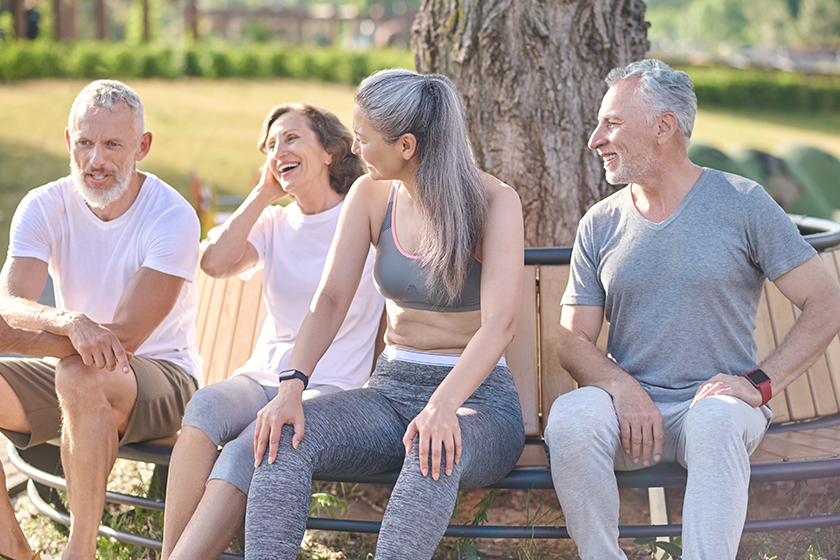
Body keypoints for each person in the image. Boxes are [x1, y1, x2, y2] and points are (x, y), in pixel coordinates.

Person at [543, 58, 840, 560]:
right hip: (632, 415)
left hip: (716, 410)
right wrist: (621, 387)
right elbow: (572, 340)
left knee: (716, 421)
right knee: (571, 417)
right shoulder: (599, 223)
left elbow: (826, 301)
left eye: (611, 123)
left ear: (664, 127)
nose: (595, 139)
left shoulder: (743, 203)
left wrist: (760, 383)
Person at [244, 69, 525, 560]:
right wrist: (292, 386)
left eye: (364, 138)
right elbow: (330, 298)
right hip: (390, 392)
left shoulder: (495, 201)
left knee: (431, 452)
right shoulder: (370, 196)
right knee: (283, 437)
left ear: (407, 146)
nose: (354, 149)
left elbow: (500, 322)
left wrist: (441, 407)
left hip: (478, 402)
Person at [161, 103, 384, 560]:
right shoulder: (276, 222)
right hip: (264, 376)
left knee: (251, 446)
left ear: (330, 150)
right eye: (270, 145)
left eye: (291, 138)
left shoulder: (364, 217)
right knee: (204, 405)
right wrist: (263, 193)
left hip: (331, 385)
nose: (277, 149)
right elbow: (215, 263)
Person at [0, 80, 202, 560]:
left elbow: (125, 338)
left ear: (142, 147)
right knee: (78, 373)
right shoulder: (43, 204)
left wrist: (25, 336)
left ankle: (80, 551)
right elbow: (10, 299)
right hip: (75, 374)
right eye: (86, 143)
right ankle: (13, 548)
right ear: (69, 140)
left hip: (165, 377)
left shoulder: (172, 215)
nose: (96, 160)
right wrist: (67, 320)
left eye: (113, 144)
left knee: (81, 371)